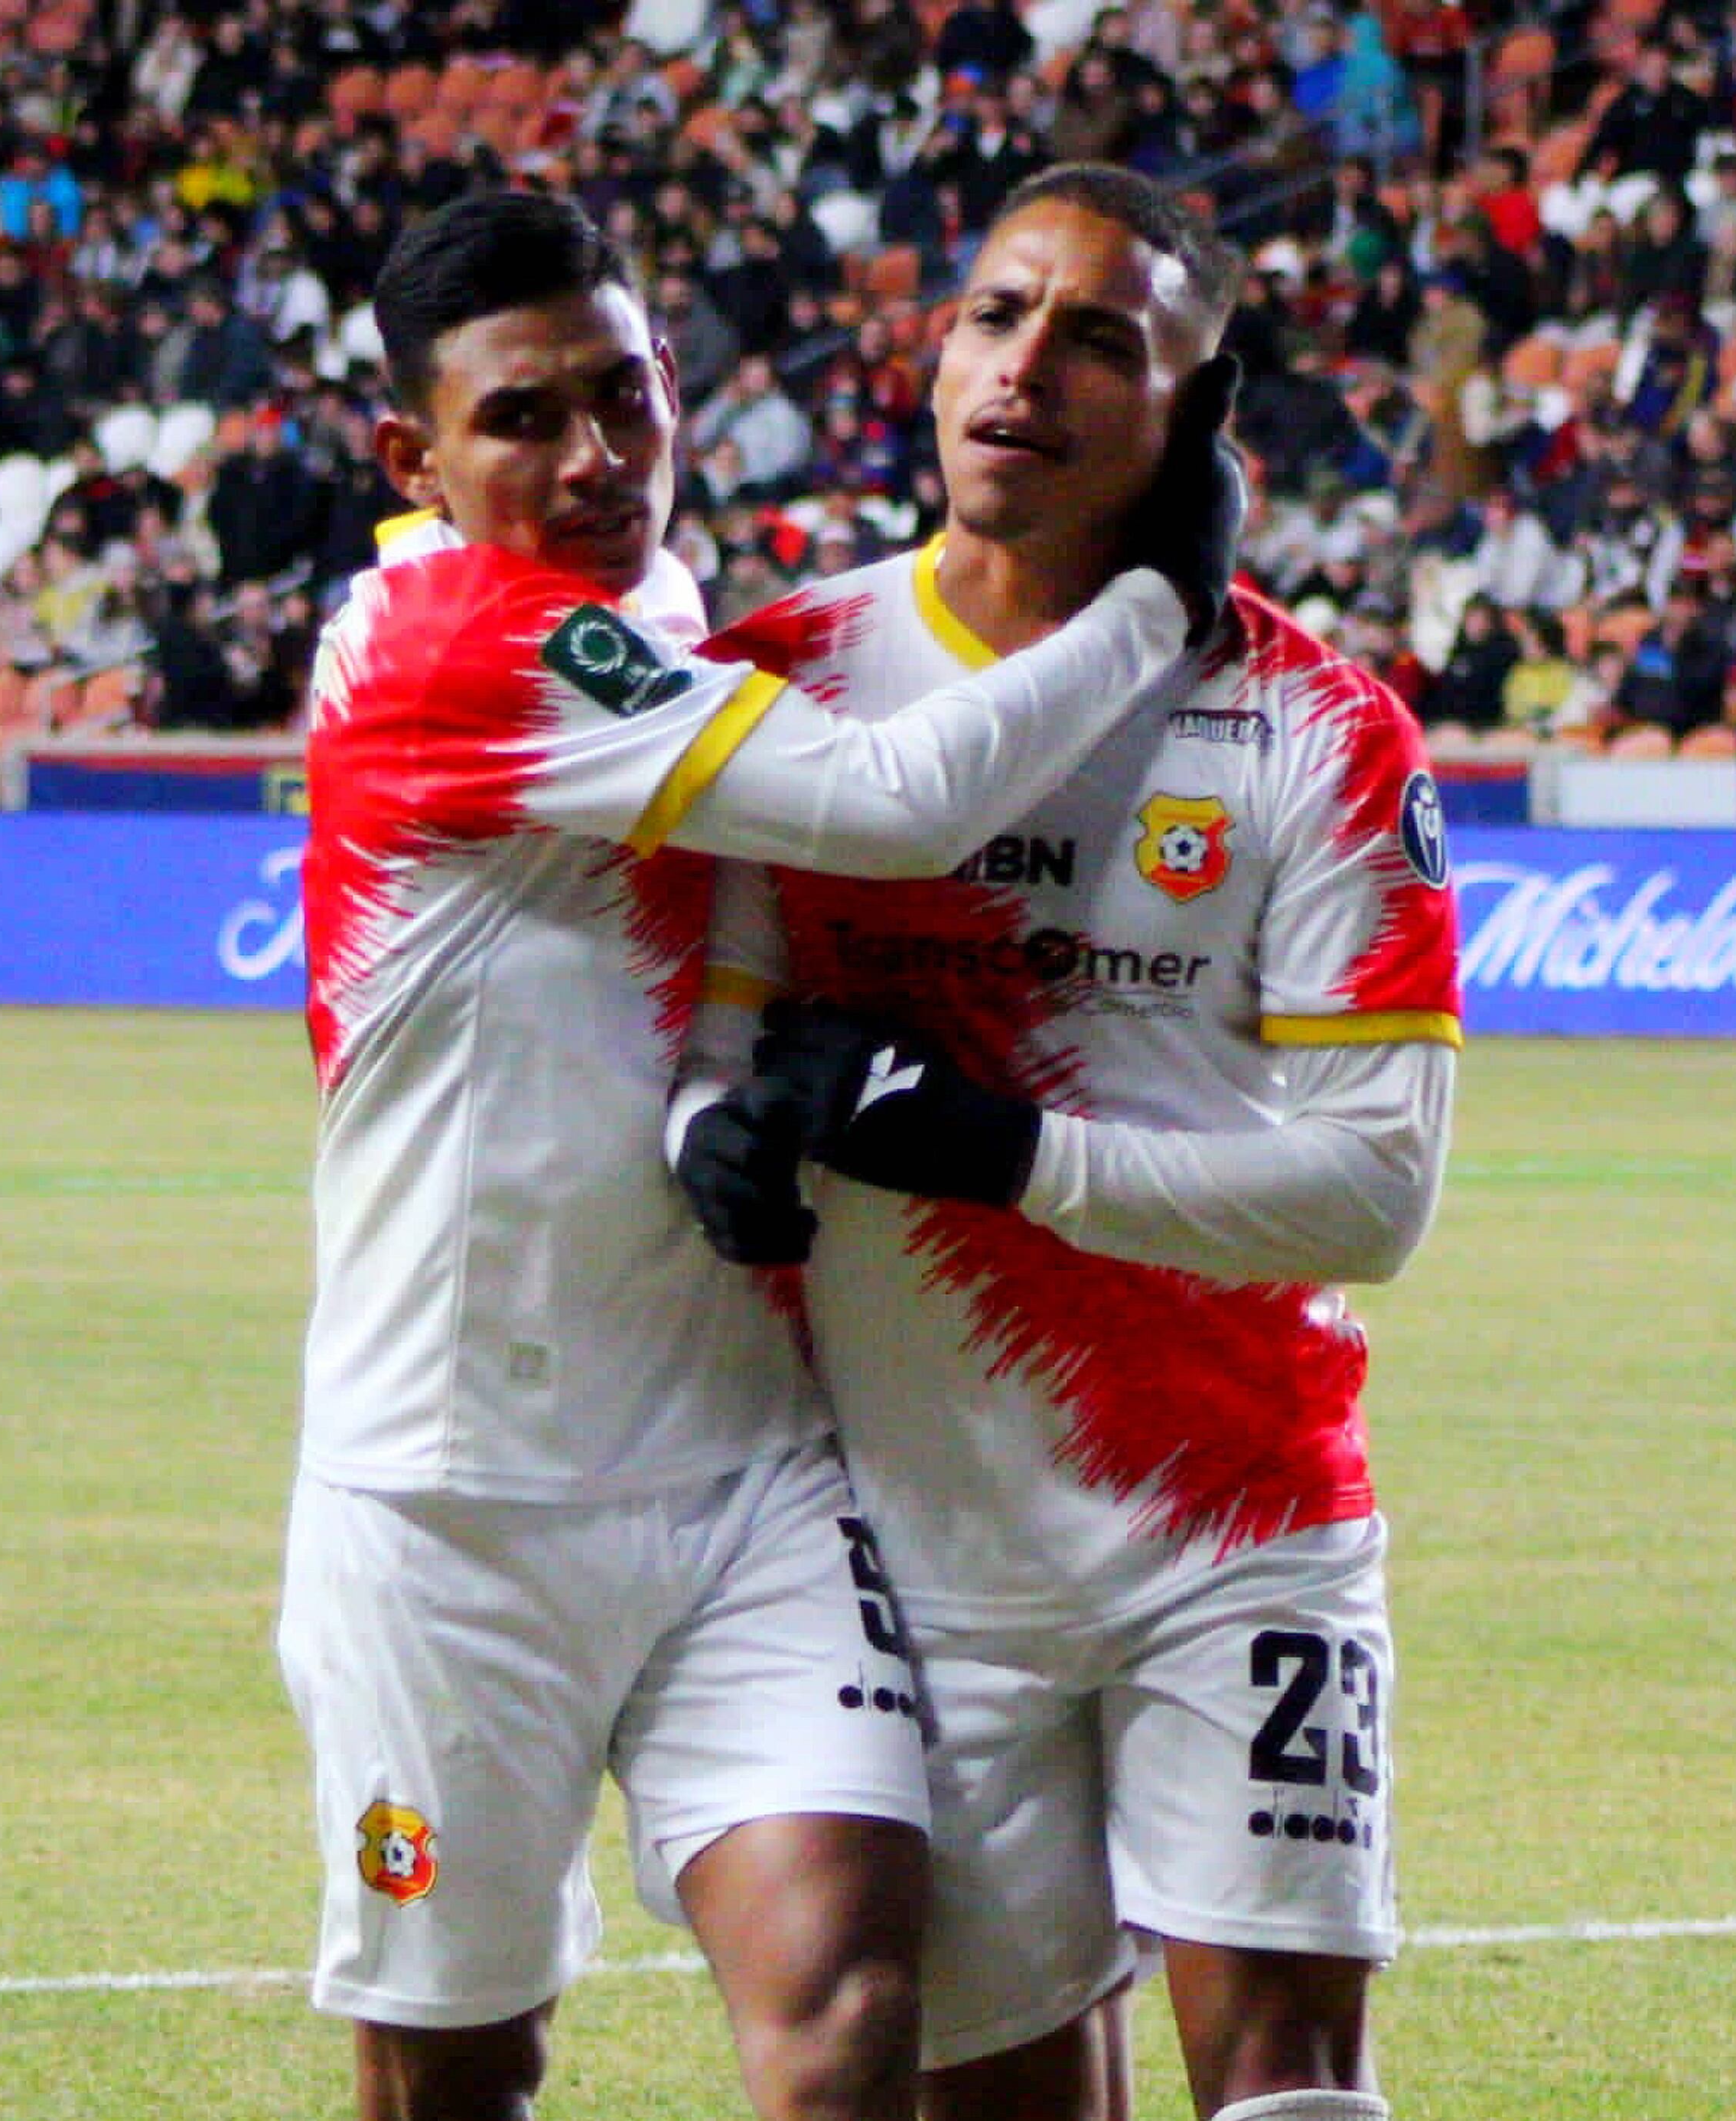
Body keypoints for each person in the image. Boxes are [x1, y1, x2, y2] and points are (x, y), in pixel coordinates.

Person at [281, 188, 1246, 2121]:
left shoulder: (651, 610)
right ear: (412, 456)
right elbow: (891, 807)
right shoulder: (446, 637)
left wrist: (714, 1095)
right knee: (457, 2068)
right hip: (451, 1497)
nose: (594, 458)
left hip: (737, 1462)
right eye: (524, 420)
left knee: (851, 1999)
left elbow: (728, 927)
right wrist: (1159, 598)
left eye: (626, 398)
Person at [673, 165, 1462, 2121]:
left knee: (1287, 2076)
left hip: (1241, 1517)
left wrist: (996, 1149)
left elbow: (1374, 1192)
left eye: (1101, 338)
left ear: (1192, 409)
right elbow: (721, 1051)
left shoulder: (1315, 727)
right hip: (908, 1550)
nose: (1025, 368)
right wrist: (717, 1137)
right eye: (995, 314)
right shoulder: (785, 680)